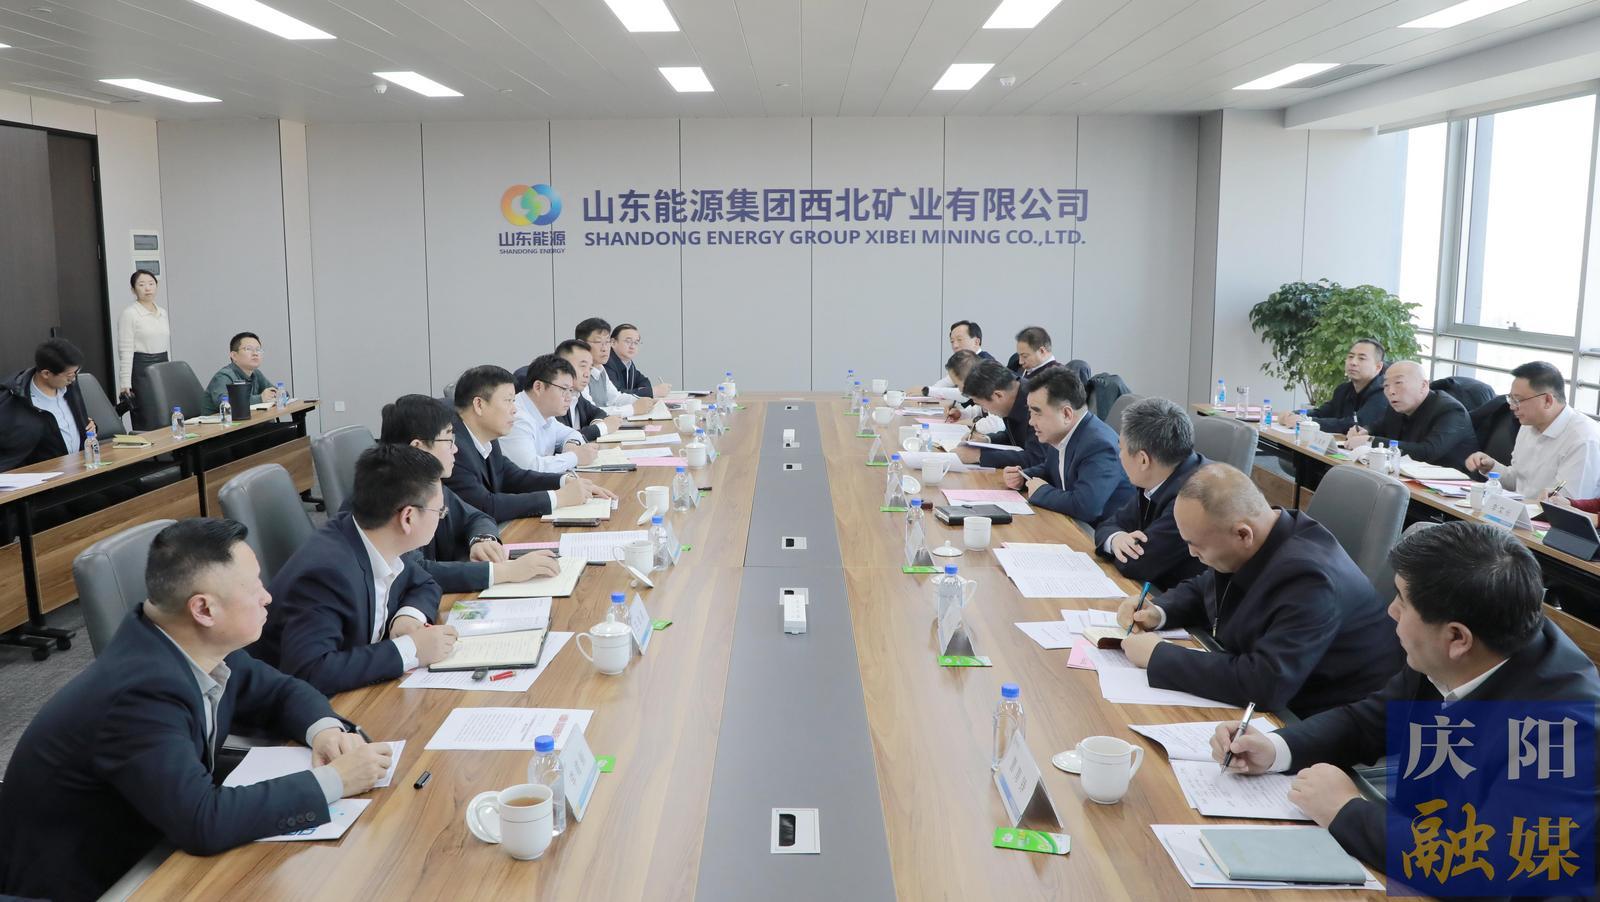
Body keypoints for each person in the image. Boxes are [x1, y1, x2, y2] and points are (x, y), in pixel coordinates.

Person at [0, 518, 393, 902]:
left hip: (150, 839)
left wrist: (325, 731)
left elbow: (280, 691)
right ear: (203, 609)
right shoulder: (138, 697)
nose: (267, 596)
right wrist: (336, 780)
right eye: (254, 586)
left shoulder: (189, 641)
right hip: (85, 883)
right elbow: (202, 821)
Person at [1211, 521, 1600, 871]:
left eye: (1402, 600)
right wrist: (1275, 749)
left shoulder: (1565, 727)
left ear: (1457, 638)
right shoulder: (1460, 645)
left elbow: (1491, 863)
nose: (1391, 611)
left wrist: (1346, 811)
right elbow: (1369, 721)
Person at [1116, 463, 1403, 716]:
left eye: (1196, 545)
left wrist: (1159, 657)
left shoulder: (1310, 578)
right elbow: (1206, 585)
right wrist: (1159, 611)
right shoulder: (1267, 532)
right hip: (1283, 694)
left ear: (1243, 534)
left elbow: (1265, 683)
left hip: (1325, 717)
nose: (1191, 553)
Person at [250, 444, 456, 696]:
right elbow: (310, 671)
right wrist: (410, 649)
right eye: (439, 511)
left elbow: (424, 583)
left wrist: (407, 617)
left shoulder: (373, 537)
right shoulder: (326, 574)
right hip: (294, 709)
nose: (441, 517)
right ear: (408, 518)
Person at [378, 394, 560, 592]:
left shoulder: (427, 484)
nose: (455, 449)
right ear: (418, 448)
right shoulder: (387, 499)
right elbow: (414, 572)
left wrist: (482, 540)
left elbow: (476, 517)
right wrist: (505, 572)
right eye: (448, 440)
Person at [444, 365, 612, 522]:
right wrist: (558, 498)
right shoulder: (452, 448)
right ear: (479, 405)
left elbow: (513, 476)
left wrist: (563, 481)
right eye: (508, 401)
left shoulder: (487, 437)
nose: (514, 409)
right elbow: (485, 506)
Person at [1094, 397, 1209, 589]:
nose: (1119, 455)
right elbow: (1110, 524)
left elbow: (1136, 564)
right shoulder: (1159, 476)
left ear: (1143, 460)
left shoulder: (1191, 497)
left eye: (1121, 449)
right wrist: (1116, 539)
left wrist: (1119, 544)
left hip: (1181, 599)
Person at [1004, 368, 1134, 523]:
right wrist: (1023, 476)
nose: (1031, 422)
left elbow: (1086, 507)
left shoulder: (1099, 445)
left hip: (1094, 532)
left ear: (1066, 414)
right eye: (1030, 413)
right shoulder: (1063, 432)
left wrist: (1041, 492)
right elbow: (1053, 470)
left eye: (1037, 413)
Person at [1464, 361, 1600, 500]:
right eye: (1511, 398)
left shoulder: (1583, 439)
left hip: (1549, 514)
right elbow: (1519, 483)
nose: (1512, 407)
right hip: (1522, 510)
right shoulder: (1528, 425)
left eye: (1518, 400)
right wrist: (1491, 467)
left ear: (1547, 400)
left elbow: (1566, 503)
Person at [1346, 360, 1476, 470]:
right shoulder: (1398, 406)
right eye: (1386, 385)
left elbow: (1427, 452)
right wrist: (1365, 431)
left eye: (1398, 383)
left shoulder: (1451, 411)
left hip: (1448, 487)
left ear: (1423, 385)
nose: (1391, 391)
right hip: (1408, 477)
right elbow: (1380, 426)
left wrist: (1369, 441)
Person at [0, 338, 91, 472]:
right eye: (69, 375)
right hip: (46, 475)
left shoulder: (69, 386)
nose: (73, 379)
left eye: (76, 373)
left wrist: (88, 425)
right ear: (46, 374)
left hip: (80, 467)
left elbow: (77, 422)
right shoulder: (17, 399)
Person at [502, 354, 600, 473]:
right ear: (538, 387)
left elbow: (571, 433)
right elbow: (530, 468)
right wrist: (575, 457)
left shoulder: (545, 414)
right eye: (563, 389)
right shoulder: (516, 417)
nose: (569, 397)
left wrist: (571, 445)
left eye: (570, 390)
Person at [1281, 339, 1388, 434]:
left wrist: (1306, 422)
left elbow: (1355, 425)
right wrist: (1293, 415)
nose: (1353, 362)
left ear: (1378, 367)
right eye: (1350, 357)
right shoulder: (1343, 389)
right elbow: (1321, 413)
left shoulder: (1384, 393)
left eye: (1361, 358)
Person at [954, 359, 1045, 468]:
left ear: (998, 395)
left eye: (981, 404)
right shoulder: (1014, 395)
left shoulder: (1036, 403)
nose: (985, 411)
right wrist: (987, 439)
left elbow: (1036, 458)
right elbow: (1014, 438)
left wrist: (978, 456)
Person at [117, 268, 172, 430]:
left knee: (165, 412)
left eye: (151, 284)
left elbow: (165, 344)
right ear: (133, 289)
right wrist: (125, 383)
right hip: (141, 368)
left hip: (162, 366)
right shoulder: (130, 314)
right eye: (141, 285)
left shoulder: (162, 312)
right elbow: (125, 350)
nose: (147, 288)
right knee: (147, 415)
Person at [575, 318, 654, 417]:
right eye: (598, 342)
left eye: (607, 342)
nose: (605, 348)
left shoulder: (600, 369)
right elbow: (592, 411)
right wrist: (633, 409)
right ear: (581, 344)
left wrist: (644, 401)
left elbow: (615, 399)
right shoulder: (578, 373)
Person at [555, 338, 624, 441]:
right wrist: (602, 428)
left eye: (590, 368)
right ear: (562, 366)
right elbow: (562, 439)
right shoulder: (553, 398)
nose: (587, 374)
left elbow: (598, 412)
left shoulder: (576, 396)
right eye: (583, 366)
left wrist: (597, 423)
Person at [202, 332, 281, 414]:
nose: (255, 353)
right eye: (248, 349)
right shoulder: (223, 376)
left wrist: (279, 394)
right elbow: (224, 403)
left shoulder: (256, 373)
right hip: (219, 421)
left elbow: (277, 392)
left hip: (247, 420)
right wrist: (260, 398)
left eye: (258, 349)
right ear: (234, 356)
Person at [917, 320, 994, 399]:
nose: (955, 346)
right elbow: (946, 382)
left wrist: (929, 391)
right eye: (952, 341)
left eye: (959, 340)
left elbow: (968, 393)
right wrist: (924, 392)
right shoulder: (962, 363)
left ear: (976, 342)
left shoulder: (986, 363)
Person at [604, 323, 670, 398]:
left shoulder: (629, 364)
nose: (632, 346)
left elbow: (644, 381)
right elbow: (616, 394)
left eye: (636, 342)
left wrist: (642, 391)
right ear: (613, 343)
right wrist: (653, 392)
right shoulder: (606, 363)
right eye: (628, 341)